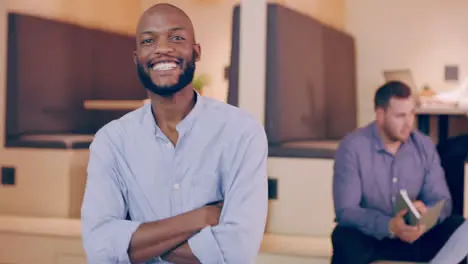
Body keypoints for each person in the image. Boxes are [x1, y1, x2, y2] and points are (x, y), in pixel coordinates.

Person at [80, 3, 268, 264]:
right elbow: (99, 249)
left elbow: (236, 251)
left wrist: (133, 243)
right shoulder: (111, 142)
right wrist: (200, 218)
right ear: (137, 58)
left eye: (176, 38)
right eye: (149, 40)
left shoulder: (241, 132)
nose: (162, 48)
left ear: (196, 52)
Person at [331, 80, 467, 264]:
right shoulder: (353, 147)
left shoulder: (423, 145)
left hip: (416, 236)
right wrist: (390, 225)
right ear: (380, 115)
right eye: (400, 116)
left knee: (460, 228)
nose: (409, 123)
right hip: (374, 236)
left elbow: (442, 201)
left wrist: (425, 216)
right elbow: (346, 210)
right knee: (344, 237)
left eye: (411, 113)